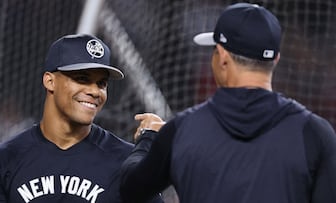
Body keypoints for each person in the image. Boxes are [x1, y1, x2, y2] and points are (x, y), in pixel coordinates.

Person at [119, 3, 336, 203]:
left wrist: (150, 139)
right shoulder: (314, 134)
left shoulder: (181, 132)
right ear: (276, 59)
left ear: (222, 56)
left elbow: (130, 189)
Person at [0, 34, 163, 203]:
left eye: (101, 83)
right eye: (82, 78)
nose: (94, 91)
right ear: (50, 81)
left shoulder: (126, 163)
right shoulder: (0, 161)